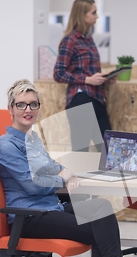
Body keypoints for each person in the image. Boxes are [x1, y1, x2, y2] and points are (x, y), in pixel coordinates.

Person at [0, 79, 137, 257]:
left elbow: (50, 165)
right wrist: (61, 177)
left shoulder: (32, 139)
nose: (28, 110)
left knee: (101, 208)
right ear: (10, 109)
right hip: (29, 216)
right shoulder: (7, 145)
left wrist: (65, 170)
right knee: (101, 230)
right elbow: (31, 185)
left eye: (33, 104)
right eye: (21, 105)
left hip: (49, 207)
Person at [53, 0, 116, 151]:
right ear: (82, 15)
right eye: (93, 13)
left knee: (110, 152)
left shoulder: (89, 39)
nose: (97, 16)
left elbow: (89, 71)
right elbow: (58, 73)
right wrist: (87, 79)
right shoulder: (70, 40)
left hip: (98, 99)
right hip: (80, 99)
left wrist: (105, 78)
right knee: (81, 152)